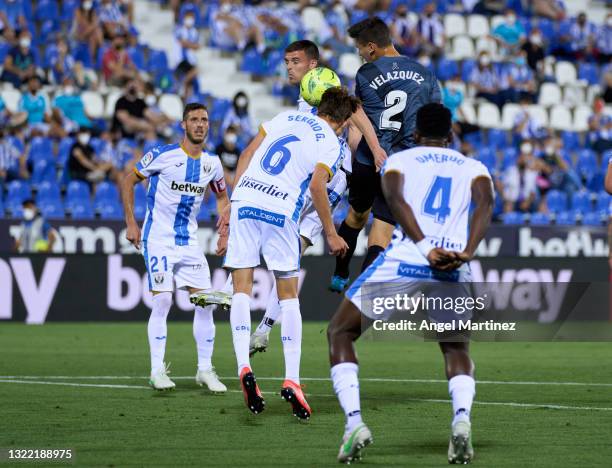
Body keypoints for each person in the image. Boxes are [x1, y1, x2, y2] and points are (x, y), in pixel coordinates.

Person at [326, 103, 494, 464]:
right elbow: (485, 206)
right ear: (450, 136)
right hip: (452, 263)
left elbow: (396, 200)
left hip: (408, 258)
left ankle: (354, 423)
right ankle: (462, 421)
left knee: (340, 332)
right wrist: (467, 250)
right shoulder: (475, 168)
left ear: (416, 134)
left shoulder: (402, 160)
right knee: (455, 349)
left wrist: (423, 246)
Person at [195, 39, 383, 358]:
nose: (289, 67)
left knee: (291, 248)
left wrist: (373, 147)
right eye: (286, 61)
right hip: (305, 175)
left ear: (313, 64)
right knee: (289, 253)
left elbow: (355, 113)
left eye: (295, 61)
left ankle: (239, 299)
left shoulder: (326, 85)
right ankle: (262, 326)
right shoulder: (304, 98)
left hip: (328, 176)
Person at [218, 87, 354, 417]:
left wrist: (234, 198)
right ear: (343, 121)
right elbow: (317, 186)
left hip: (246, 200)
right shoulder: (332, 143)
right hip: (280, 210)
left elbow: (248, 153)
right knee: (289, 296)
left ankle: (243, 368)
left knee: (240, 290)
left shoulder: (284, 117)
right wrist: (332, 233)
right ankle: (291, 379)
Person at [121, 102, 230, 392]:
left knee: (206, 303)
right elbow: (127, 179)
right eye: (193, 119)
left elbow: (222, 198)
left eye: (204, 120)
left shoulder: (212, 163)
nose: (199, 124)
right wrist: (132, 223)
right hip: (157, 238)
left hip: (189, 242)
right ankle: (157, 370)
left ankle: (204, 370)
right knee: (162, 300)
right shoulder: (163, 155)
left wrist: (224, 231)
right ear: (183, 125)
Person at [331, 17, 440, 293]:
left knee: (356, 216)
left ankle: (340, 272)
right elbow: (434, 118)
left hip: (369, 159)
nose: (358, 54)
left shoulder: (366, 74)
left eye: (358, 48)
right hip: (402, 166)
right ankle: (361, 294)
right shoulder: (425, 74)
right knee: (381, 228)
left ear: (371, 48)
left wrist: (375, 147)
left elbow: (362, 114)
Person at [171, 11, 200, 101]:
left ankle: (185, 97)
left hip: (190, 61)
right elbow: (183, 42)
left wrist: (190, 44)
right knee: (196, 71)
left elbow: (197, 46)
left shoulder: (194, 31)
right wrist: (192, 45)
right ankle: (181, 85)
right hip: (181, 60)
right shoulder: (179, 29)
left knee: (190, 85)